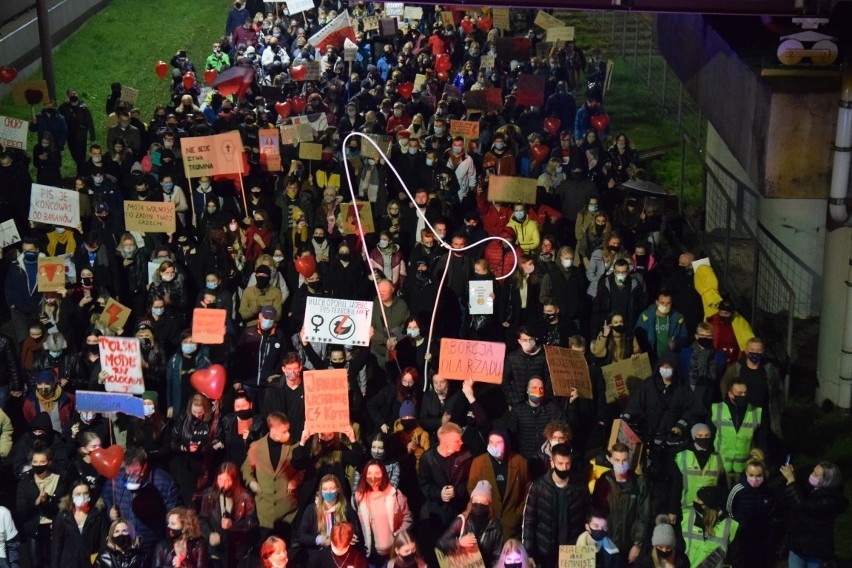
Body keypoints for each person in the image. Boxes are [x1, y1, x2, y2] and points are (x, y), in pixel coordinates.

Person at [101, 446, 182, 555]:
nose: (131, 477)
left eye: (135, 473)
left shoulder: (163, 482)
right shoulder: (115, 480)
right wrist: (110, 514)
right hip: (124, 546)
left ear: (144, 467)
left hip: (151, 546)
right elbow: (106, 502)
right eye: (128, 473)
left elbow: (173, 514)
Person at [521, 443, 589, 567]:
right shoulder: (538, 487)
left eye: (567, 464)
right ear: (552, 463)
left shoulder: (580, 486)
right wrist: (529, 552)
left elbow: (588, 513)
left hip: (572, 551)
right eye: (560, 464)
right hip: (545, 553)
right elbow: (529, 521)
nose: (564, 468)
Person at [242, 412, 302, 542]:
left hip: (287, 511)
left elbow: (302, 469)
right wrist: (251, 482)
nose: (288, 434)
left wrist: (295, 480)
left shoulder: (294, 447)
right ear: (273, 430)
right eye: (284, 431)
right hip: (265, 511)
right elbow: (246, 469)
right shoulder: (257, 447)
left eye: (288, 430)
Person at [779, 460, 849, 568]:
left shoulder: (829, 501)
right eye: (813, 471)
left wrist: (791, 480)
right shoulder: (812, 489)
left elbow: (803, 505)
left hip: (816, 550)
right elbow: (793, 498)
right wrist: (793, 478)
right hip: (798, 546)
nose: (811, 475)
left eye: (816, 474)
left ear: (827, 480)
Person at [591, 443, 651, 563]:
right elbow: (596, 512)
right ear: (611, 460)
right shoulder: (603, 481)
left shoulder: (639, 483)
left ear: (629, 459)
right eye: (617, 460)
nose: (621, 464)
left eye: (624, 460)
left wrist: (637, 544)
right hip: (606, 544)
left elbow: (644, 515)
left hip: (629, 546)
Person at [467, 430, 530, 541]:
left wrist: (518, 514)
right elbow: (471, 488)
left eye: (499, 442)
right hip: (487, 524)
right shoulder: (479, 462)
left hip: (512, 527)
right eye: (491, 442)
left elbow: (528, 490)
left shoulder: (520, 462)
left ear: (506, 443)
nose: (494, 446)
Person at [352, 461, 413, 565]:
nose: (373, 477)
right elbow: (354, 522)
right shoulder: (358, 498)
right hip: (370, 556)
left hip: (393, 554)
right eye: (369, 473)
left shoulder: (395, 495)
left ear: (383, 474)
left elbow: (408, 518)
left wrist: (397, 535)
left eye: (377, 473)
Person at [198, 462, 258, 568]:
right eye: (220, 480)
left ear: (234, 481)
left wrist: (234, 525)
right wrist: (209, 534)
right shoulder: (208, 496)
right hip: (217, 551)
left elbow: (252, 522)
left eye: (227, 480)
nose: (223, 484)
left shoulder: (245, 497)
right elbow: (202, 520)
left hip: (237, 552)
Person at [16, 447, 68, 567]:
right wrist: (37, 502)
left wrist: (47, 500)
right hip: (34, 530)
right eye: (35, 462)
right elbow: (21, 510)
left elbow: (62, 505)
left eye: (42, 462)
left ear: (49, 462)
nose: (38, 465)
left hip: (54, 529)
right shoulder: (25, 481)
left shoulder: (58, 479)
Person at [711, 376, 767, 483]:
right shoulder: (717, 409)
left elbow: (762, 439)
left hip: (744, 467)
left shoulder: (756, 412)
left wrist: (764, 463)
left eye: (745, 393)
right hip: (720, 466)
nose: (743, 396)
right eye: (739, 393)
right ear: (730, 394)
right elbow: (710, 435)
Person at [294, 474, 361, 564]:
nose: (329, 492)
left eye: (332, 488)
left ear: (338, 489)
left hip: (340, 557)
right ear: (321, 491)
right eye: (325, 489)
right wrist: (319, 539)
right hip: (317, 558)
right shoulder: (312, 510)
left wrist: (352, 537)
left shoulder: (346, 509)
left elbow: (355, 530)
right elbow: (301, 536)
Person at [725, 450, 775, 568]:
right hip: (742, 538)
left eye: (758, 475)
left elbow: (772, 511)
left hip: (762, 538)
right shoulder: (737, 490)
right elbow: (729, 510)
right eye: (751, 475)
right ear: (746, 473)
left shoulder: (769, 492)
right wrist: (738, 525)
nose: (755, 479)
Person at [437, 480, 503, 567]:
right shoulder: (463, 520)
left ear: (489, 504)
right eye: (476, 500)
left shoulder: (495, 526)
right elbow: (441, 543)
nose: (479, 504)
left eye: (483, 502)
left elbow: (497, 556)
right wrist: (459, 543)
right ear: (471, 502)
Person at [670, 423, 725, 518]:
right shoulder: (683, 457)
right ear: (694, 436)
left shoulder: (717, 457)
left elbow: (722, 486)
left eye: (707, 435)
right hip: (687, 508)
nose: (704, 438)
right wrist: (672, 510)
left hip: (711, 509)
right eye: (700, 436)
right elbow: (675, 486)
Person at [50, 481, 105, 568]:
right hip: (69, 563)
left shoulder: (97, 515)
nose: (82, 497)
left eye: (85, 493)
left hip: (91, 564)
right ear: (72, 496)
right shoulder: (64, 516)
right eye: (78, 494)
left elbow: (103, 543)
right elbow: (57, 545)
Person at [681, 486, 739, 568]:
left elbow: (736, 558)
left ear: (706, 506)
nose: (694, 499)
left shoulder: (730, 525)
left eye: (698, 499)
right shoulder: (684, 517)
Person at [633, 291, 688, 364]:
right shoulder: (645, 316)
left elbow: (684, 337)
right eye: (662, 303)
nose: (665, 306)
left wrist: (676, 344)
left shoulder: (677, 318)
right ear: (657, 302)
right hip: (651, 358)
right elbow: (637, 337)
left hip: (670, 359)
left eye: (668, 303)